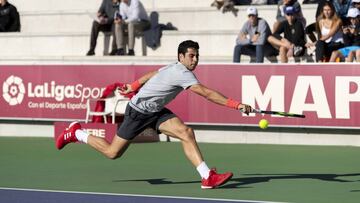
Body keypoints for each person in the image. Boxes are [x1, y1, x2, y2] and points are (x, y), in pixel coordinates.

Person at [56, 40, 253, 189]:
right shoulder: (182, 72)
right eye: (191, 56)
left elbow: (152, 74)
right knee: (112, 153)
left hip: (156, 112)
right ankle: (77, 133)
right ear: (181, 57)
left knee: (186, 133)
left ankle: (207, 176)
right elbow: (207, 93)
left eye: (197, 56)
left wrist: (133, 85)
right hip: (138, 113)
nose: (195, 59)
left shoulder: (173, 67)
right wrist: (237, 105)